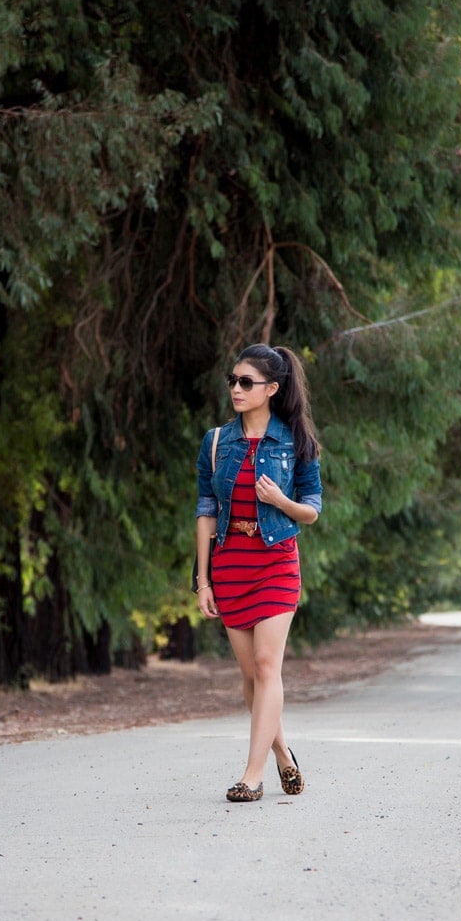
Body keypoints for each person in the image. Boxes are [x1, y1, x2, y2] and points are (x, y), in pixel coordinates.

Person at [195, 343, 323, 802]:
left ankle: (252, 776)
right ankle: (284, 755)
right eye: (233, 380)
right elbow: (206, 511)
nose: (236, 388)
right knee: (251, 679)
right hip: (230, 565)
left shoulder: (297, 441)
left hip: (276, 561)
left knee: (269, 666)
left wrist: (281, 503)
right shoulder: (216, 442)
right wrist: (203, 580)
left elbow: (311, 510)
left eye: (246, 382)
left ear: (271, 388)